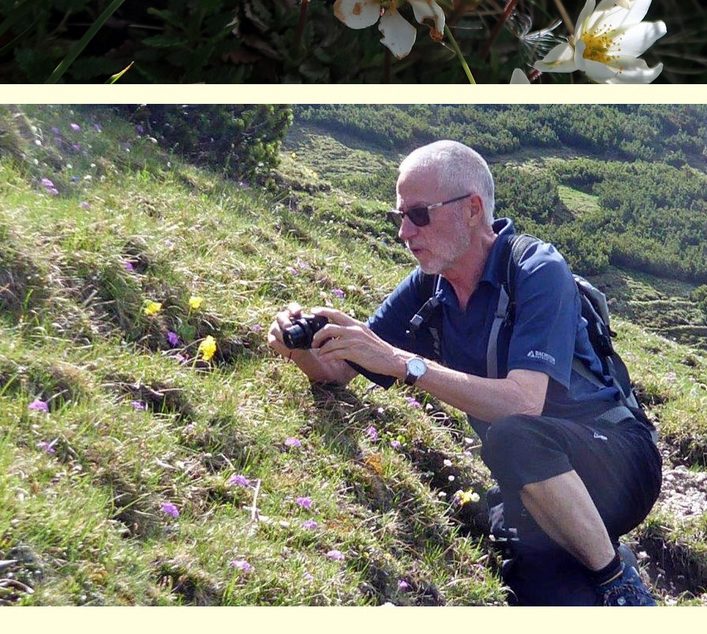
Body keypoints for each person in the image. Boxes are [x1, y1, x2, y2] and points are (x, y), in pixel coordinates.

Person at [268, 140, 661, 605]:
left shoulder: (536, 269)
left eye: (418, 214)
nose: (404, 233)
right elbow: (340, 373)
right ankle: (601, 559)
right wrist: (302, 347)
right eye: (399, 217)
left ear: (473, 210)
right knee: (538, 591)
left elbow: (523, 403)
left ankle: (619, 582)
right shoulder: (428, 285)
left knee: (514, 436)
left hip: (617, 462)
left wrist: (402, 362)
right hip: (532, 480)